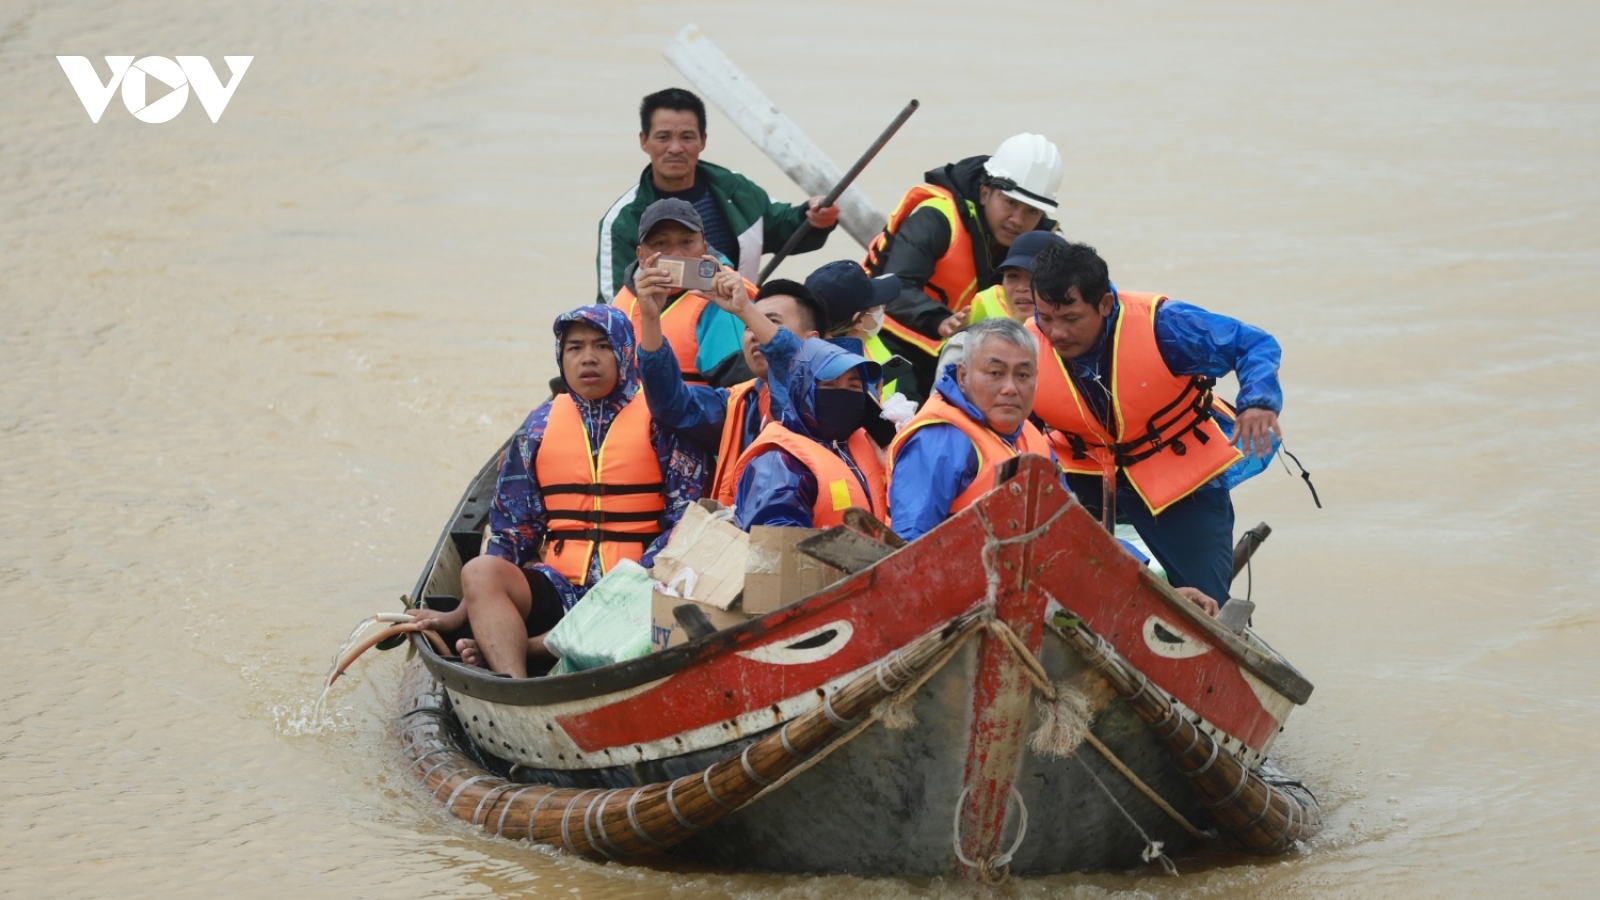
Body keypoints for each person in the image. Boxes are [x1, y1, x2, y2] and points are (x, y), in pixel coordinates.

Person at [411, 306, 708, 676]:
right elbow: (512, 533)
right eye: (575, 348)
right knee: (481, 571)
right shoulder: (540, 425)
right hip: (561, 588)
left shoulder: (663, 418)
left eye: (602, 346)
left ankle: (536, 647)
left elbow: (688, 518)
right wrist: (460, 613)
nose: (588, 358)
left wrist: (631, 582)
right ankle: (514, 684)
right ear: (561, 358)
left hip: (637, 587)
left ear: (625, 353)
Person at [1027, 241, 1283, 607]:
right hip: (1086, 475)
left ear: (1104, 304)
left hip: (1179, 476)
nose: (1056, 334)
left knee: (1207, 604)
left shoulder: (1166, 326)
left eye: (1070, 319)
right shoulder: (1024, 344)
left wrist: (1258, 402)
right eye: (1045, 318)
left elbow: (1253, 345)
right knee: (1049, 574)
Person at [864, 133, 1063, 397]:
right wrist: (939, 320)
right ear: (984, 193)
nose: (1018, 220)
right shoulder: (936, 217)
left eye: (1032, 211)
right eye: (1011, 202)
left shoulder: (1043, 243)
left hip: (962, 348)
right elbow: (895, 285)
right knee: (900, 414)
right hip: (888, 336)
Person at [597, 88, 841, 302]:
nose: (675, 148)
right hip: (663, 342)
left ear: (703, 140)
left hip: (733, 329)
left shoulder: (736, 190)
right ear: (644, 141)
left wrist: (815, 217)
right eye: (663, 137)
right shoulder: (621, 220)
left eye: (687, 137)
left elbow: (784, 226)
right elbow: (612, 304)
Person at [639, 269, 829, 506]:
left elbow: (793, 368)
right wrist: (649, 317)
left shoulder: (833, 395)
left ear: (813, 341)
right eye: (748, 326)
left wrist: (745, 309)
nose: (753, 335)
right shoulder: (737, 401)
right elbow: (670, 406)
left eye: (771, 322)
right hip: (739, 537)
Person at [886, 317, 1050, 541]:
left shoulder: (1029, 434)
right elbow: (908, 549)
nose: (1010, 388)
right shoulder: (939, 439)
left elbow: (1066, 523)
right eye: (995, 373)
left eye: (1023, 375)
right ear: (963, 376)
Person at [730, 339, 888, 529]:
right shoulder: (779, 462)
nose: (843, 396)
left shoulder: (867, 445)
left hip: (886, 557)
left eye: (853, 387)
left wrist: (898, 461)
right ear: (802, 392)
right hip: (830, 559)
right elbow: (775, 541)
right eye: (829, 386)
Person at [615, 199, 749, 383]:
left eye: (686, 241)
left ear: (704, 248)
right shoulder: (622, 300)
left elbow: (740, 389)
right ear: (641, 255)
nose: (676, 254)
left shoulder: (725, 298)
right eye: (661, 243)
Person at [802, 260, 916, 402]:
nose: (882, 308)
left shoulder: (804, 354)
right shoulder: (845, 382)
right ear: (859, 320)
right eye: (878, 305)